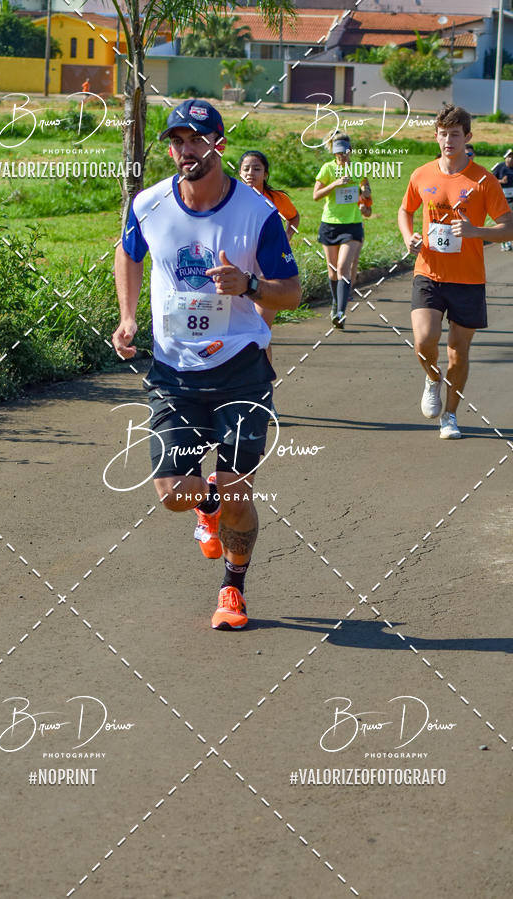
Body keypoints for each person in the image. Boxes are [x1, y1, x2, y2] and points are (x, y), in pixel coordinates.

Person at [113, 99, 301, 630]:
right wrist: (128, 317)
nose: (185, 150)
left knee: (240, 496)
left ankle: (232, 588)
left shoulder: (257, 213)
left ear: (218, 144)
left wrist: (250, 285)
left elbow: (291, 292)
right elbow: (127, 254)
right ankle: (207, 502)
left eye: (196, 140)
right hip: (174, 371)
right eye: (177, 141)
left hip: (240, 366)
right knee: (175, 494)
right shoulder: (148, 204)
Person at [398, 104, 513, 440]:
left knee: (457, 353)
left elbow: (508, 227)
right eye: (443, 134)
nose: (448, 140)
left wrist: (478, 232)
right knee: (424, 341)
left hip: (468, 279)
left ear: (467, 137)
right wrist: (409, 237)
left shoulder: (483, 180)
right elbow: (405, 211)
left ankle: (449, 416)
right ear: (436, 136)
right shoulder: (422, 174)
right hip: (428, 272)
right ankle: (433, 378)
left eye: (455, 134)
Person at [239, 150, 300, 359]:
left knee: (260, 330)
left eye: (257, 169)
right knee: (241, 332)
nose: (251, 173)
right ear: (239, 173)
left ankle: (266, 377)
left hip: (268, 271)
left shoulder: (276, 199)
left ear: (265, 174)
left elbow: (294, 217)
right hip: (241, 269)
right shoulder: (232, 199)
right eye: (246, 169)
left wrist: (286, 237)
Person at [313, 131, 371, 329]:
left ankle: (340, 312)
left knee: (343, 267)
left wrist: (365, 194)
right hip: (330, 224)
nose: (342, 156)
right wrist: (335, 184)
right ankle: (335, 304)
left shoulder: (359, 169)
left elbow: (366, 195)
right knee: (333, 271)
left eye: (345, 152)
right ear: (333, 152)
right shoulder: (327, 169)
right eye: (338, 152)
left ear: (350, 150)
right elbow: (316, 196)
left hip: (352, 225)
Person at [492, 149, 513, 251]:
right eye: (509, 157)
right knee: (505, 221)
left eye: (512, 157)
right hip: (502, 198)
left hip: (512, 198)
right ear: (505, 157)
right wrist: (501, 181)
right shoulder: (499, 167)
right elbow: (491, 180)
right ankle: (505, 242)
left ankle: (508, 240)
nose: (511, 159)